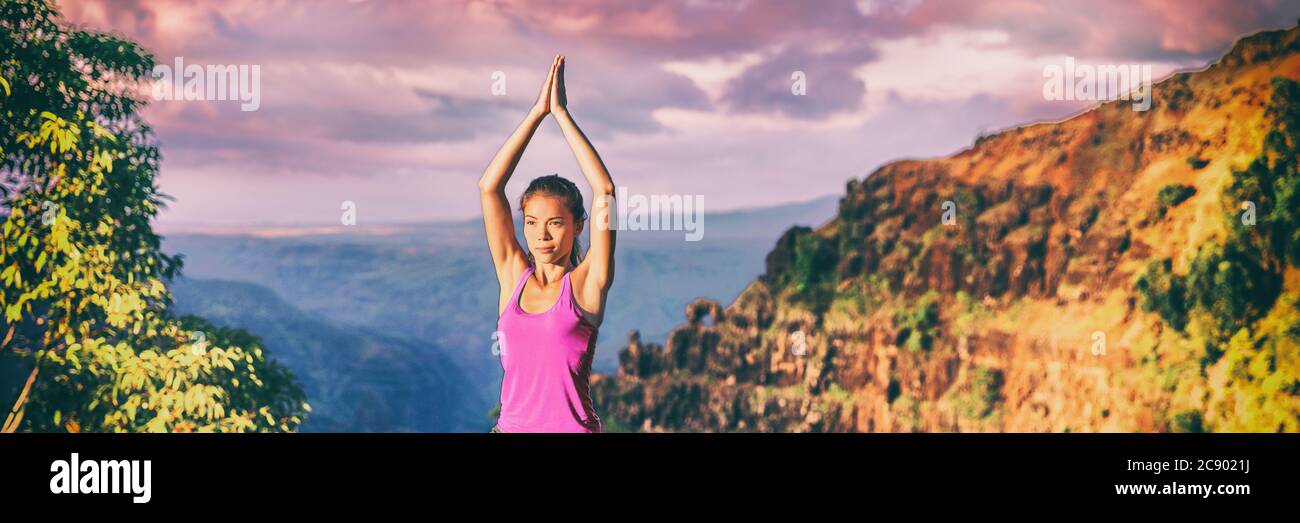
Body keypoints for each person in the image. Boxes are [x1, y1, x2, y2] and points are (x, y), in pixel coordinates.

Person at [479, 54, 616, 433]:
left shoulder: (587, 285)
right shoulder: (513, 278)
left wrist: (561, 114)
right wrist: (537, 113)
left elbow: (605, 190)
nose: (541, 235)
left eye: (555, 223)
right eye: (532, 222)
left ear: (577, 227)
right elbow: (489, 188)